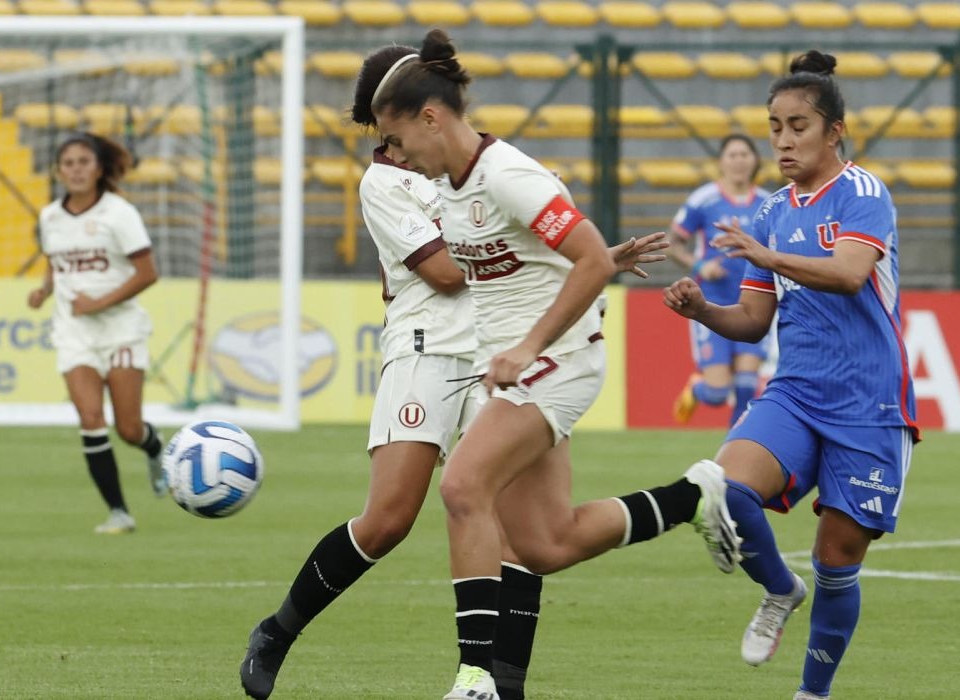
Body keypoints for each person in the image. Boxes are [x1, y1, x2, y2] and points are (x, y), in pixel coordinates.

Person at [238, 44, 670, 700]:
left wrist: (586, 260)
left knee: (520, 534)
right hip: (428, 349)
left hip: (506, 352)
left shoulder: (483, 167)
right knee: (388, 519)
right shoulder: (385, 180)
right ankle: (278, 631)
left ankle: (501, 685)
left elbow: (532, 251)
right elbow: (443, 274)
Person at [372, 29, 741, 700]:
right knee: (544, 544)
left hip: (557, 361)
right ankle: (693, 496)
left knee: (460, 486)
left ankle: (475, 677)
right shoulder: (452, 186)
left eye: (396, 141)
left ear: (431, 117)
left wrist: (531, 343)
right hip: (517, 366)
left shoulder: (505, 173)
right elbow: (555, 254)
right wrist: (585, 263)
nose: (394, 157)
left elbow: (590, 259)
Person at [663, 50, 920, 700]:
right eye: (775, 125)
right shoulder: (772, 211)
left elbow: (851, 273)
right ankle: (779, 588)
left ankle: (812, 694)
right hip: (798, 393)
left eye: (797, 125)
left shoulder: (863, 192)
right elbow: (752, 319)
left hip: (869, 406)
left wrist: (764, 253)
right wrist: (703, 310)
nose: (782, 140)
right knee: (723, 489)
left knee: (838, 560)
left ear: (834, 131)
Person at [26, 133, 165, 535]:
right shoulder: (49, 216)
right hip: (74, 333)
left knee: (128, 429)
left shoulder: (119, 213)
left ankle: (153, 447)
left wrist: (99, 303)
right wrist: (44, 289)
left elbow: (147, 273)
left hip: (120, 330)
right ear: (58, 170)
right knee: (90, 418)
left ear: (99, 168)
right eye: (68, 163)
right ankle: (119, 512)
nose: (76, 169)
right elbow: (57, 262)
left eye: (84, 161)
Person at [669, 134, 772, 427]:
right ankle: (697, 389)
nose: (739, 161)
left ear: (754, 161)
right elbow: (673, 243)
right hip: (712, 303)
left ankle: (734, 451)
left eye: (744, 154)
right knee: (716, 392)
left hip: (755, 303)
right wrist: (700, 265)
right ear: (721, 162)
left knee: (746, 385)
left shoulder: (767, 203)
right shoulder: (704, 199)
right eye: (732, 155)